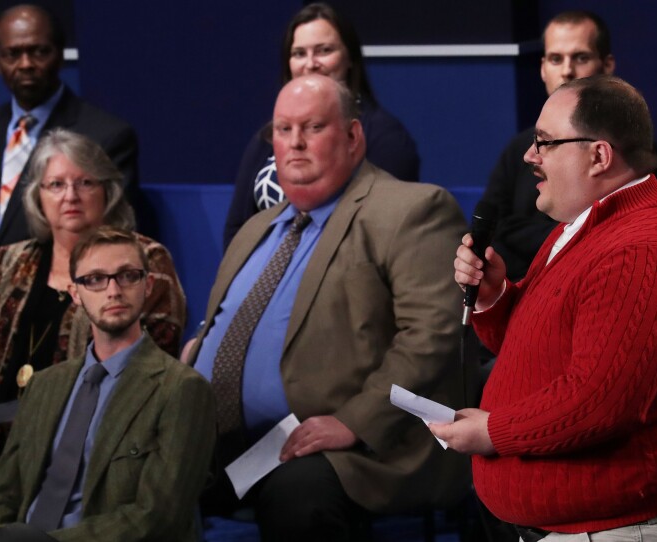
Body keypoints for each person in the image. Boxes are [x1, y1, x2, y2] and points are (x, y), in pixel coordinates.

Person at [433, 75, 657, 540]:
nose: (530, 156)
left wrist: (494, 432)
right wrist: (495, 297)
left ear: (599, 156)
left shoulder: (641, 250)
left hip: (628, 530)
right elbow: (536, 352)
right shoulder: (590, 224)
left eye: (545, 142)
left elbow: (600, 402)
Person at [186, 74, 469, 541]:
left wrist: (353, 421)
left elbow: (433, 337)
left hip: (363, 448)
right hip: (238, 447)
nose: (295, 143)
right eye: (283, 130)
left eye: (313, 127)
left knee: (297, 495)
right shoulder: (255, 229)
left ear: (353, 136)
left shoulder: (411, 210)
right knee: (136, 475)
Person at [0, 129, 185, 518]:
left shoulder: (142, 259)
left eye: (84, 183)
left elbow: (146, 371)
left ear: (107, 192)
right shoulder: (12, 259)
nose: (70, 196)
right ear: (38, 197)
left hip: (79, 447)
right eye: (56, 184)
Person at [0, 226, 216, 542]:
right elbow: (0, 496)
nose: (113, 291)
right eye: (95, 279)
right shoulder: (44, 385)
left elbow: (158, 515)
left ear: (148, 285)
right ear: (75, 293)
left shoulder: (182, 389)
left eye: (127, 276)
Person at [0, 3, 139, 345]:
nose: (26, 63)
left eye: (38, 51)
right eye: (13, 53)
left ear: (59, 53)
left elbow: (108, 233)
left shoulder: (105, 135)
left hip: (44, 300)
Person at [479, 11, 657, 282]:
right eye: (556, 59)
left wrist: (516, 231)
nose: (566, 70)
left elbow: (604, 234)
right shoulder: (519, 147)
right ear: (543, 68)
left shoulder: (631, 147)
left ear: (607, 65)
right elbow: (489, 228)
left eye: (580, 58)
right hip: (514, 287)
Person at [222, 2, 420, 249]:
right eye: (299, 53)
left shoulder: (385, 138)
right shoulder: (266, 138)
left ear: (349, 58)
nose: (310, 63)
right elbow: (237, 229)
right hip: (267, 268)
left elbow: (385, 230)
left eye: (324, 50)